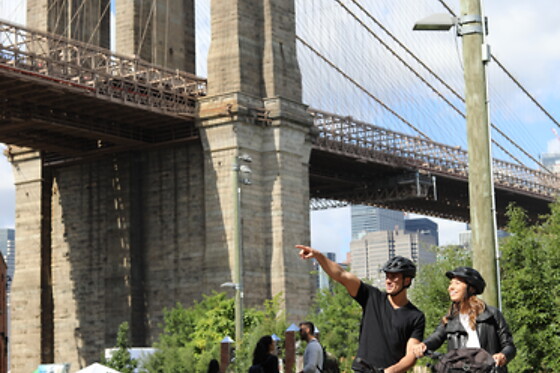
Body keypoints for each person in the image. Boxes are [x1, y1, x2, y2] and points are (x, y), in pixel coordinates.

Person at [295, 245, 425, 372]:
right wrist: (319, 256)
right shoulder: (372, 297)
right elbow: (342, 275)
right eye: (387, 276)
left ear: (407, 281)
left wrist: (389, 371)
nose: (388, 281)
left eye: (394, 276)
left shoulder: (415, 316)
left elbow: (411, 355)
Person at [411, 267, 516, 372]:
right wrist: (423, 345)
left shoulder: (491, 314)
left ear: (471, 288)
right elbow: (437, 336)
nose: (450, 288)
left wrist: (503, 355)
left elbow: (509, 346)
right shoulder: (449, 319)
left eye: (457, 283)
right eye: (450, 284)